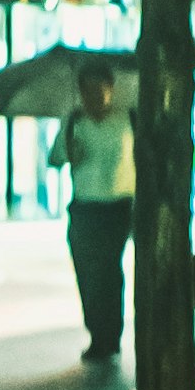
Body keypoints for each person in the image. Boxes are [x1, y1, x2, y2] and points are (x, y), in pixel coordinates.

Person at [61, 62, 135, 364]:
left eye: (98, 89)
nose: (92, 96)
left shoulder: (128, 120)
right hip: (83, 207)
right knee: (88, 274)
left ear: (110, 89)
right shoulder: (73, 122)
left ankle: (109, 335)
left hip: (117, 208)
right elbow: (57, 157)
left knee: (108, 272)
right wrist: (71, 150)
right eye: (86, 90)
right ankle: (98, 332)